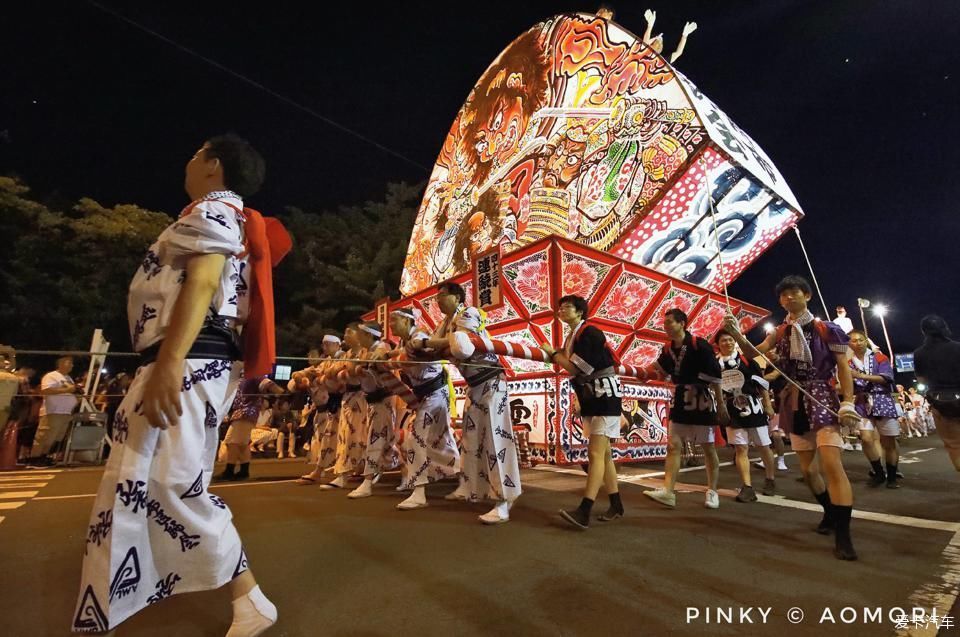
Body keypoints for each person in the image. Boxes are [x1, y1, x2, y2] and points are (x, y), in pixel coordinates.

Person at [73, 134, 289, 635]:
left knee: (171, 482)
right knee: (145, 478)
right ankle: (128, 593)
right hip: (186, 358)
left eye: (196, 153)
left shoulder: (213, 212)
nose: (188, 159)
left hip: (189, 359)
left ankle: (249, 597)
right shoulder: (219, 214)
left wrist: (170, 361)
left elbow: (205, 282)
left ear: (213, 165)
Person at [723, 275, 861, 561]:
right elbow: (755, 354)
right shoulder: (781, 331)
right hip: (793, 400)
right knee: (809, 471)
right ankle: (830, 513)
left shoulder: (828, 329)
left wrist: (848, 401)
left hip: (821, 396)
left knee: (832, 465)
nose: (788, 298)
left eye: (794, 293)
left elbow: (843, 367)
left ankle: (844, 536)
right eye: (783, 295)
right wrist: (737, 336)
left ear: (807, 295)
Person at [412, 281, 522, 524]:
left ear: (456, 297)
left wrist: (427, 342)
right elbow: (434, 349)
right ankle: (469, 487)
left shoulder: (469, 313)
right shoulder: (443, 325)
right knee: (471, 441)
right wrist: (422, 343)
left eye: (442, 295)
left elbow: (460, 344)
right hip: (474, 387)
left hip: (492, 382)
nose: (438, 300)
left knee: (496, 440)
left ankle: (505, 499)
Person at [542, 295, 624, 529]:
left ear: (580, 312)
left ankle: (585, 510)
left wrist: (553, 353)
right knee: (604, 455)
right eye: (560, 307)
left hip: (603, 395)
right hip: (594, 396)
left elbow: (577, 368)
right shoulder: (574, 336)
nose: (561, 310)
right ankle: (616, 504)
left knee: (596, 454)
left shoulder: (589, 333)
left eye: (567, 307)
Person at [640, 309, 728, 509]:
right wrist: (641, 372)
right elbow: (658, 369)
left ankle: (712, 491)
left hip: (701, 400)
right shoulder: (667, 349)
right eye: (665, 322)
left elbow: (716, 377)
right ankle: (668, 492)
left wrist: (721, 405)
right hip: (680, 398)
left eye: (670, 322)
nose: (666, 326)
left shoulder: (700, 345)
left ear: (682, 323)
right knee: (673, 446)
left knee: (707, 447)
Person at [389, 308, 461, 510]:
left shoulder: (419, 336)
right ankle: (465, 480)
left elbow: (433, 352)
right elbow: (403, 353)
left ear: (406, 320)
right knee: (442, 439)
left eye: (394, 320)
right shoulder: (405, 343)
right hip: (426, 396)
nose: (391, 324)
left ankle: (419, 491)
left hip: (436, 394)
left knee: (416, 439)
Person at [714, 330, 777, 501]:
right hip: (731, 409)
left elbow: (762, 384)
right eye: (723, 341)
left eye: (730, 340)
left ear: (735, 342)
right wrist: (720, 407)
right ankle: (747, 487)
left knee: (764, 446)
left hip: (754, 407)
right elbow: (715, 387)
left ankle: (770, 479)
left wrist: (768, 405)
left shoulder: (747, 360)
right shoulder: (715, 365)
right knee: (740, 448)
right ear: (718, 345)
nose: (727, 343)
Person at [347, 321, 401, 499]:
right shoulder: (364, 351)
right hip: (372, 402)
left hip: (383, 400)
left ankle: (367, 481)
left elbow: (377, 358)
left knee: (377, 439)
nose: (357, 337)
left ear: (369, 336)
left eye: (360, 334)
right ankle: (406, 472)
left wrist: (363, 364)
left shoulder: (381, 348)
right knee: (386, 440)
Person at [847, 330, 901, 488]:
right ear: (849, 344)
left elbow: (887, 377)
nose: (858, 343)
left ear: (866, 341)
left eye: (861, 340)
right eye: (854, 341)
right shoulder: (848, 363)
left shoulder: (879, 357)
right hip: (862, 403)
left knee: (889, 441)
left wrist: (861, 376)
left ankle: (892, 476)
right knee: (866, 438)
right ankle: (878, 472)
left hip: (882, 399)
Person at [914, 315, 960, 471]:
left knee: (954, 445)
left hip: (941, 403)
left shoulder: (920, 353)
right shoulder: (957, 347)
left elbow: (921, 381)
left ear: (924, 332)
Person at [296, 335, 344, 485]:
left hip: (350, 403)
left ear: (337, 344)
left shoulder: (344, 357)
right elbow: (302, 375)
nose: (325, 348)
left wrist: (315, 378)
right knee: (330, 438)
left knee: (352, 439)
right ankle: (321, 470)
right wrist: (302, 376)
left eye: (328, 344)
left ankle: (350, 472)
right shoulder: (327, 362)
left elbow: (331, 376)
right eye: (323, 345)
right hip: (336, 406)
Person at [219, 375, 284, 480]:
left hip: (245, 413)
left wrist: (279, 390)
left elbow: (268, 383)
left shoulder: (254, 374)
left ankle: (229, 471)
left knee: (232, 442)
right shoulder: (242, 376)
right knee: (242, 445)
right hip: (242, 413)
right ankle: (243, 471)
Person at [30, 355, 81, 464]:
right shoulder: (51, 376)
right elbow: (46, 390)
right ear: (60, 363)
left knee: (57, 436)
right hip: (53, 411)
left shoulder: (68, 378)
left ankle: (45, 455)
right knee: (46, 435)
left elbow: (71, 391)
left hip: (65, 412)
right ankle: (35, 457)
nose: (72, 365)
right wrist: (68, 389)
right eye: (69, 362)